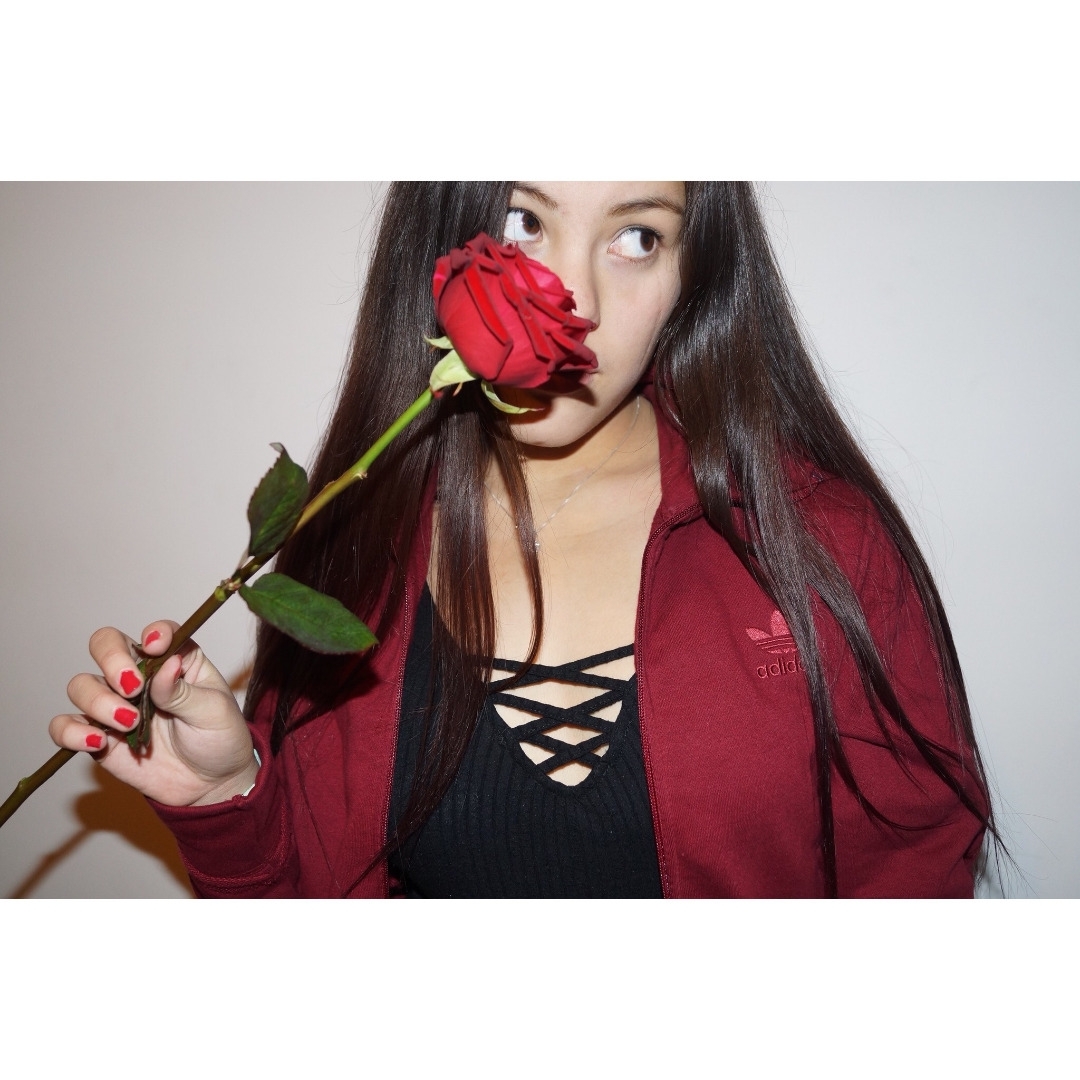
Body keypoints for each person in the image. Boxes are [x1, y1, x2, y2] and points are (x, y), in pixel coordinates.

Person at [48, 182, 994, 897]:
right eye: (521, 221)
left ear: (692, 276)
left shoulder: (819, 542)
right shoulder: (349, 552)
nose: (572, 299)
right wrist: (226, 801)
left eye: (637, 236)